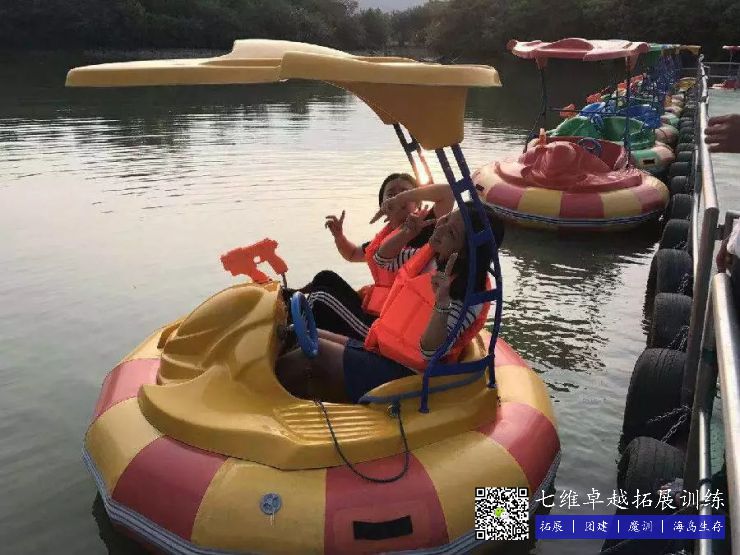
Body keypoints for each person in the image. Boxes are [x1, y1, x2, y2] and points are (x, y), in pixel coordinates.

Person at [276, 201, 504, 404]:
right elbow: (382, 259)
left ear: (464, 253)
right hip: (385, 350)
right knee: (299, 333)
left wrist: (442, 302)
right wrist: (406, 232)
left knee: (311, 359)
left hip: (408, 375)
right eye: (445, 220)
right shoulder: (432, 257)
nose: (441, 228)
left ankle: (267, 402)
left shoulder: (468, 294)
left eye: (451, 232)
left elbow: (430, 351)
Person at [292, 173, 455, 341]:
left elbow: (448, 193)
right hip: (375, 314)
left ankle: (293, 334)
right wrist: (339, 236)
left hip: (391, 327)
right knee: (325, 278)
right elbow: (352, 254)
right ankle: (290, 305)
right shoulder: (384, 239)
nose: (397, 197)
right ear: (382, 205)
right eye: (391, 194)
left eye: (404, 192)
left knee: (320, 298)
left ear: (417, 202)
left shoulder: (430, 229)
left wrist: (401, 198)